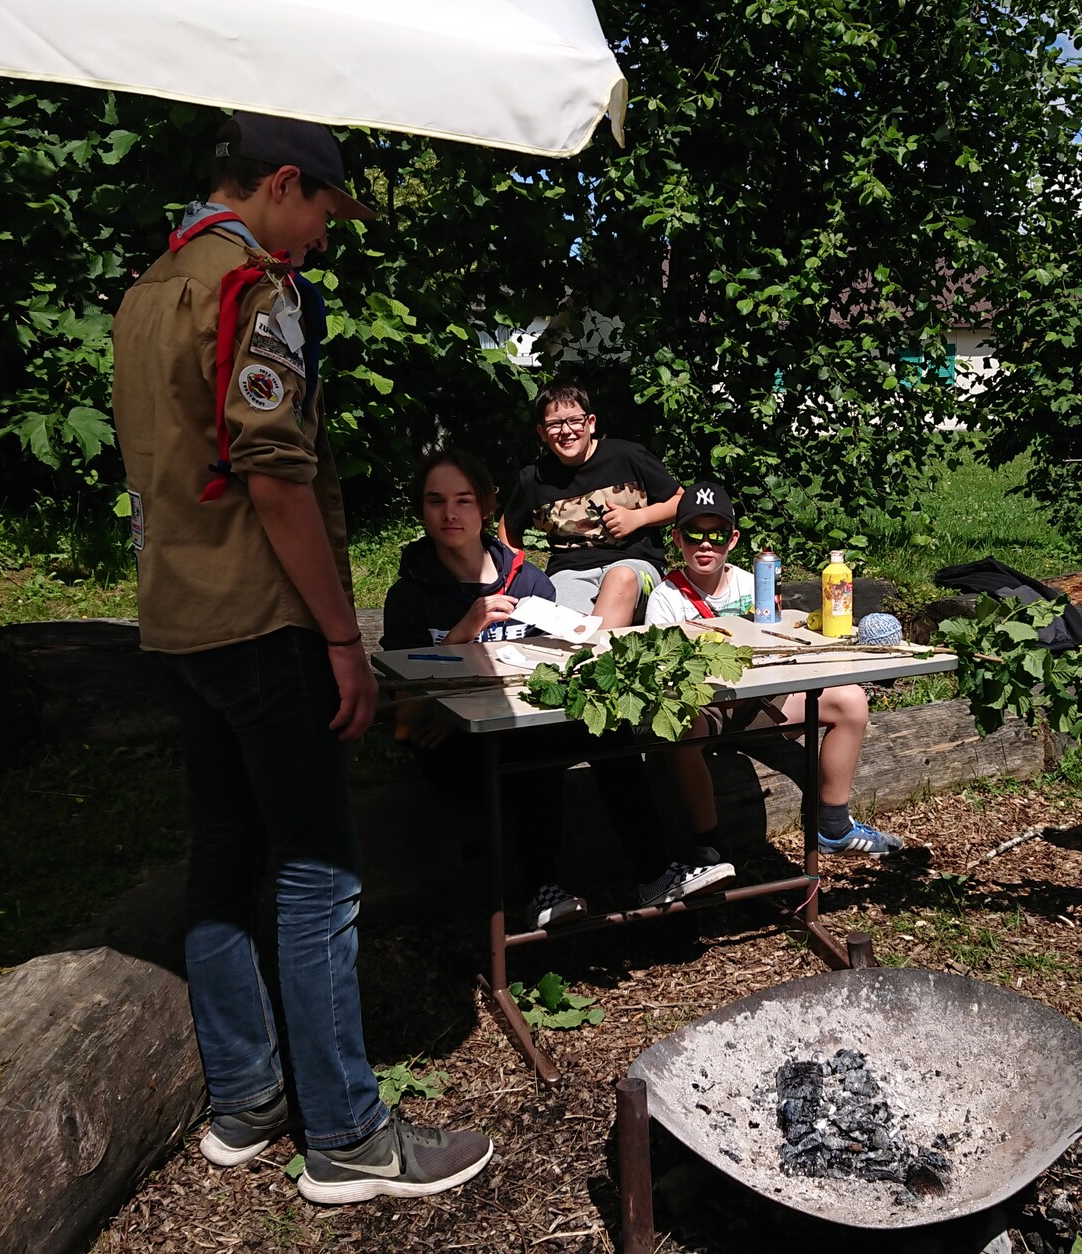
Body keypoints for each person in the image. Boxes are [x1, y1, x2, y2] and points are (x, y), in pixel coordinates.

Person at [111, 114, 492, 1206]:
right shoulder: (252, 291)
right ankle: (348, 1136)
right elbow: (274, 479)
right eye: (324, 208)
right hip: (263, 620)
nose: (324, 234)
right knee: (320, 872)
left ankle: (248, 1100)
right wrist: (340, 637)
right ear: (282, 184)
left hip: (177, 619)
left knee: (225, 855)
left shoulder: (147, 293)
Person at [383, 448, 730, 922]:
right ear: (421, 509)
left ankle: (654, 873)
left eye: (463, 500)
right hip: (458, 747)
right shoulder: (409, 596)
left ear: (485, 506)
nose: (449, 514)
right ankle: (540, 889)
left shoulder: (526, 581)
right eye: (435, 501)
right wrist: (462, 637)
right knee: (527, 746)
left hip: (522, 724)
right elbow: (407, 718)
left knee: (602, 723)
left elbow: (555, 674)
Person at [644, 483, 907, 872]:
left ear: (733, 539)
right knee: (681, 727)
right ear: (677, 539)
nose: (706, 545)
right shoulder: (665, 598)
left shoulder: (753, 583)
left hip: (760, 700)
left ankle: (834, 825)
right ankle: (708, 844)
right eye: (694, 534)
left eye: (717, 535)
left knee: (850, 700)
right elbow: (665, 677)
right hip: (707, 706)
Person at [501, 384, 682, 628]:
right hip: (570, 573)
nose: (566, 431)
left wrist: (638, 518)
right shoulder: (534, 479)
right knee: (566, 623)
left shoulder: (627, 457)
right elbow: (508, 526)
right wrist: (516, 574)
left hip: (635, 565)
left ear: (591, 423)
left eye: (575, 420)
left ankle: (600, 651)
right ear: (542, 432)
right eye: (555, 424)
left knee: (620, 580)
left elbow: (680, 500)